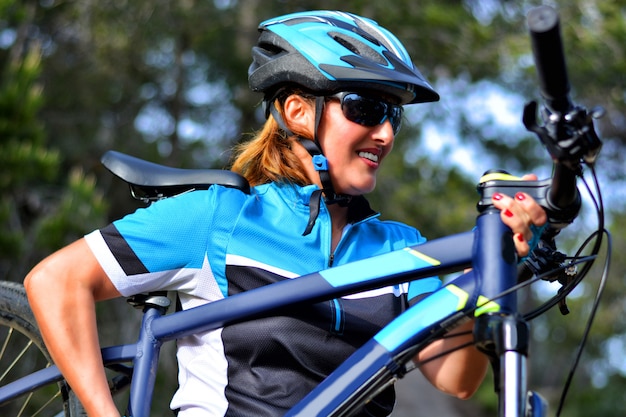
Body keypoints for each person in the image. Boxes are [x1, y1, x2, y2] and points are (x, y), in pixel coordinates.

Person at [24, 10, 547, 417]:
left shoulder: (401, 248)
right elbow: (55, 282)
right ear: (298, 110)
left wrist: (494, 274)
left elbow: (457, 379)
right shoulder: (221, 218)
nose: (385, 133)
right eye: (366, 108)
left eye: (393, 116)